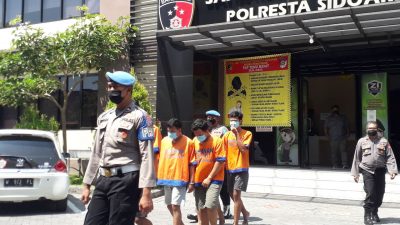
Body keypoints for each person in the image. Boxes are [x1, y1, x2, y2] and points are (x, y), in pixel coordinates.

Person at [81, 71, 156, 225]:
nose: (111, 90)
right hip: (103, 179)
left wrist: (146, 192)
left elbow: (147, 155)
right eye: (109, 87)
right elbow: (96, 153)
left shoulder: (141, 117)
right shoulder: (105, 117)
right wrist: (87, 184)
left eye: (116, 87)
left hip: (125, 181)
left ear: (129, 90)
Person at [351, 121, 398, 225]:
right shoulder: (361, 141)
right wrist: (356, 173)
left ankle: (375, 212)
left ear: (377, 130)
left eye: (374, 128)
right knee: (371, 193)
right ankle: (367, 216)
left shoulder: (383, 141)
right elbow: (356, 157)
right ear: (366, 130)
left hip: (380, 171)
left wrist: (392, 170)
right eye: (370, 128)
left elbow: (390, 156)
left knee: (380, 194)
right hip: (367, 170)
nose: (371, 130)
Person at [157, 118, 196, 225]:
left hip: (180, 179)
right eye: (169, 131)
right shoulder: (164, 141)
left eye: (173, 131)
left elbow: (192, 164)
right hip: (166, 178)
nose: (170, 133)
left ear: (180, 130)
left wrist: (192, 182)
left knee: (175, 206)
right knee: (169, 205)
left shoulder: (189, 142)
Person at [192, 119, 226, 225]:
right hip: (199, 179)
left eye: (200, 134)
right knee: (201, 209)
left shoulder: (217, 141)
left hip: (215, 178)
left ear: (207, 130)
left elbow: (220, 161)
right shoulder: (194, 141)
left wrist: (209, 177)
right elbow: (191, 162)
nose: (198, 137)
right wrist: (191, 181)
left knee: (210, 205)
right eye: (196, 135)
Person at [222, 111, 252, 225]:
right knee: (231, 194)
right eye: (231, 120)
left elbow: (243, 149)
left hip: (241, 168)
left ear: (240, 121)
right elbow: (223, 152)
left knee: (236, 194)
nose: (232, 123)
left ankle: (235, 222)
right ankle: (245, 213)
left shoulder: (247, 133)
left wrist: (237, 134)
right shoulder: (226, 135)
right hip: (229, 168)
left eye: (235, 120)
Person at [135, 123, 163, 225]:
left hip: (143, 175)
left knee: (138, 217)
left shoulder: (150, 128)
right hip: (128, 177)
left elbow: (153, 150)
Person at [324, 105, 350, 169]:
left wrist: (347, 134)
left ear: (339, 110)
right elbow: (325, 128)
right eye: (334, 110)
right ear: (331, 111)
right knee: (334, 152)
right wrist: (327, 136)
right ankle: (334, 165)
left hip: (342, 138)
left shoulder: (343, 118)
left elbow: (347, 127)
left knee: (343, 151)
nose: (335, 111)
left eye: (337, 109)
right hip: (333, 138)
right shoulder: (328, 118)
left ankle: (345, 164)